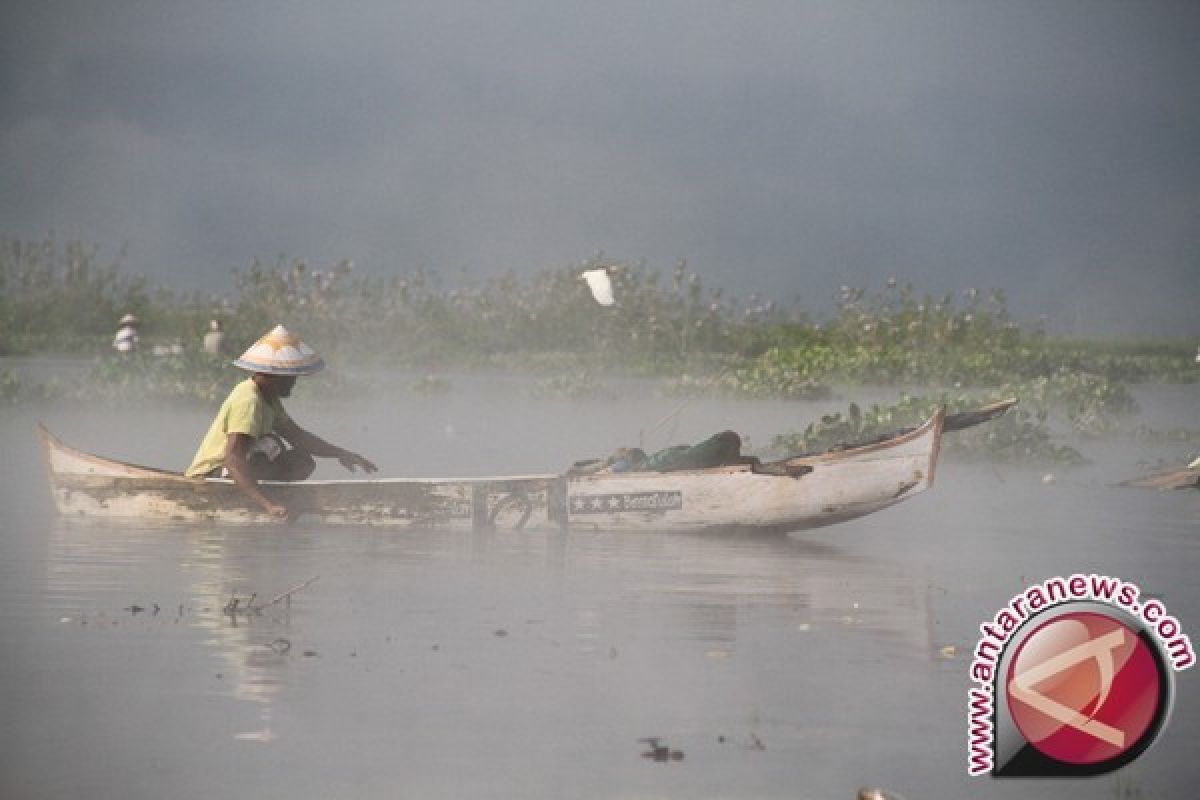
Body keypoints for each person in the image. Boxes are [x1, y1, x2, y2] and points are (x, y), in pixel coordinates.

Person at [185, 324, 377, 519]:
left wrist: (339, 453)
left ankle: (273, 498)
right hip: (213, 476)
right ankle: (260, 500)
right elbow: (234, 460)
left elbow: (297, 436)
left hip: (238, 470)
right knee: (271, 443)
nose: (293, 382)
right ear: (273, 375)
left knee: (302, 460)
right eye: (290, 377)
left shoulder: (269, 398)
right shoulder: (249, 400)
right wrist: (268, 505)